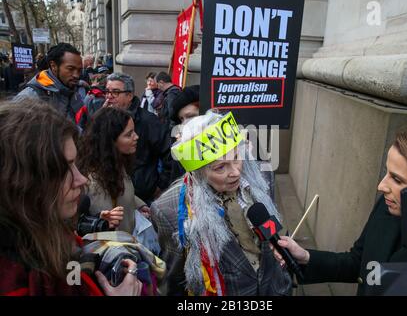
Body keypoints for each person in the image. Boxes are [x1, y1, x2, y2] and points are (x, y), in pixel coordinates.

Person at [272, 119, 407, 295]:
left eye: (397, 179)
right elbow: (359, 263)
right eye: (386, 173)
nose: (381, 186)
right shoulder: (387, 207)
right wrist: (305, 257)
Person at [0, 98, 142, 295]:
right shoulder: (13, 278)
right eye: (63, 169)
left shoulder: (56, 235)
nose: (81, 179)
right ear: (21, 182)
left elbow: (72, 282)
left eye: (75, 163)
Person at [151, 110, 292, 296]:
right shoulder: (168, 210)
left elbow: (270, 232)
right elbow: (176, 281)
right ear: (198, 173)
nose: (235, 172)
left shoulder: (264, 177)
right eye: (220, 167)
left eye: (236, 158)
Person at [78, 107, 161, 254]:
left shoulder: (115, 166)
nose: (136, 137)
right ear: (111, 141)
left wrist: (139, 205)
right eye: (129, 134)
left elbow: (123, 190)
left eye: (134, 131)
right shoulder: (94, 183)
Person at [103, 72, 172, 204]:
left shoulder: (148, 121)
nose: (109, 96)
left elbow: (169, 153)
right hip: (110, 194)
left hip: (143, 196)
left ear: (129, 95)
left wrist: (160, 186)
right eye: (107, 91)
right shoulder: (103, 118)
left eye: (115, 92)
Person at [15, 43, 84, 123]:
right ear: (53, 66)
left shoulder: (74, 91)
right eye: (70, 69)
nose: (76, 75)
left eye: (79, 70)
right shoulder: (28, 98)